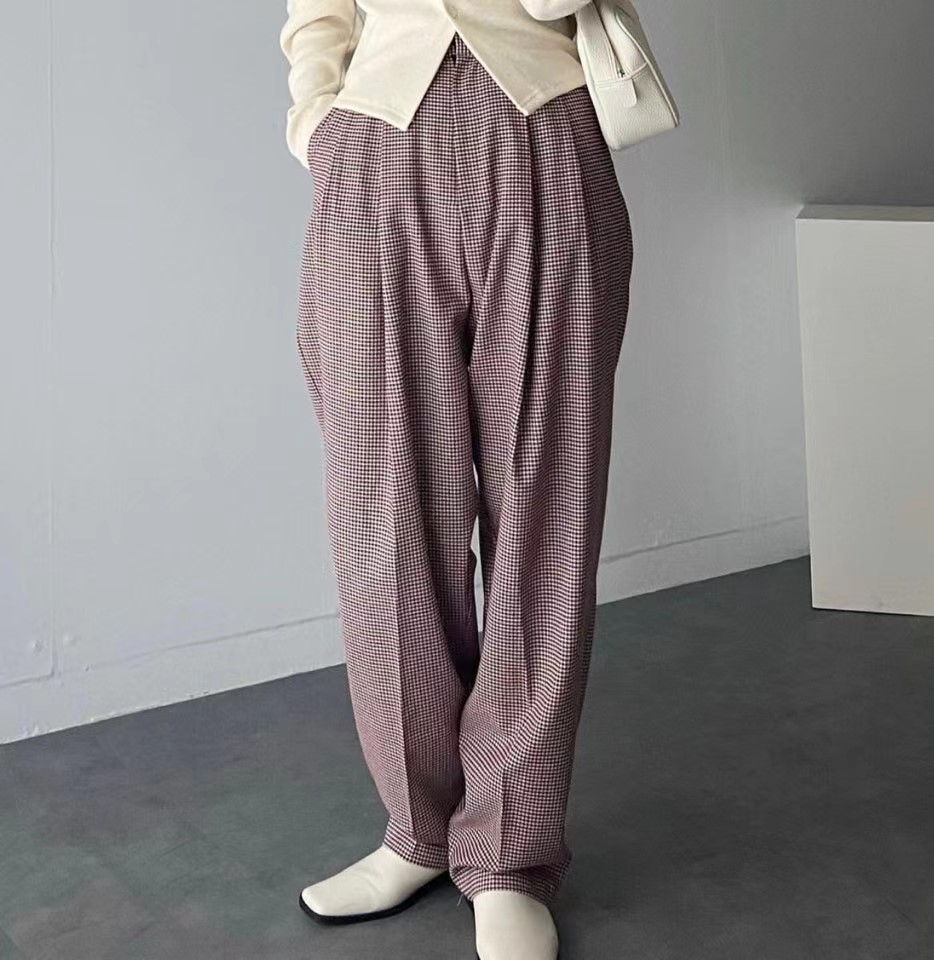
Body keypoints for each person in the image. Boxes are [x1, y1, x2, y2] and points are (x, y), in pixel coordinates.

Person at [279, 1, 634, 957]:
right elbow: (318, 12)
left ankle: (509, 851)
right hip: (373, 153)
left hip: (546, 135)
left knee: (545, 513)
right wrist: (318, 120)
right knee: (380, 519)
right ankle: (419, 829)